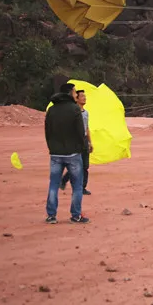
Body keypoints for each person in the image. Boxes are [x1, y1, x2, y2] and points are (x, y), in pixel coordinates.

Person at [45, 83, 89, 224]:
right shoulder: (75, 109)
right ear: (70, 93)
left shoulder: (51, 110)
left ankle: (51, 216)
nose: (76, 95)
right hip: (73, 154)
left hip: (56, 153)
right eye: (75, 92)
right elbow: (80, 132)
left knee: (53, 184)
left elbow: (48, 132)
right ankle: (76, 216)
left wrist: (52, 147)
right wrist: (83, 148)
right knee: (77, 186)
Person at [60, 89, 92, 195]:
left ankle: (82, 187)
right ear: (76, 99)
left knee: (85, 166)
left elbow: (87, 128)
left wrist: (90, 142)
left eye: (85, 96)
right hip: (75, 140)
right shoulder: (73, 112)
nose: (84, 98)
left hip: (84, 140)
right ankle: (64, 180)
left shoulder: (86, 113)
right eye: (82, 96)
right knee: (76, 165)